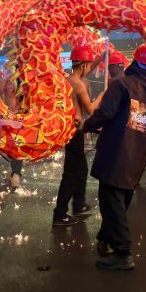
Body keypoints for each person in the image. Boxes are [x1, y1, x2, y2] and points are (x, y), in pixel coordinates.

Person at [83, 42, 146, 270]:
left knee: (111, 200)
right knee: (119, 201)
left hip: (116, 154)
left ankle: (123, 252)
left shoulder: (121, 85)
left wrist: (86, 126)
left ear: (135, 62)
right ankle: (105, 239)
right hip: (137, 158)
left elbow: (105, 114)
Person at [52, 45, 103, 226]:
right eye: (89, 65)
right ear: (83, 65)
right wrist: (102, 95)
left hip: (72, 131)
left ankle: (78, 205)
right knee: (71, 174)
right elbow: (90, 109)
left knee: (81, 170)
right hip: (74, 132)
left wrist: (102, 55)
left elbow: (91, 66)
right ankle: (59, 214)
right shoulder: (79, 83)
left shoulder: (68, 79)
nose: (90, 68)